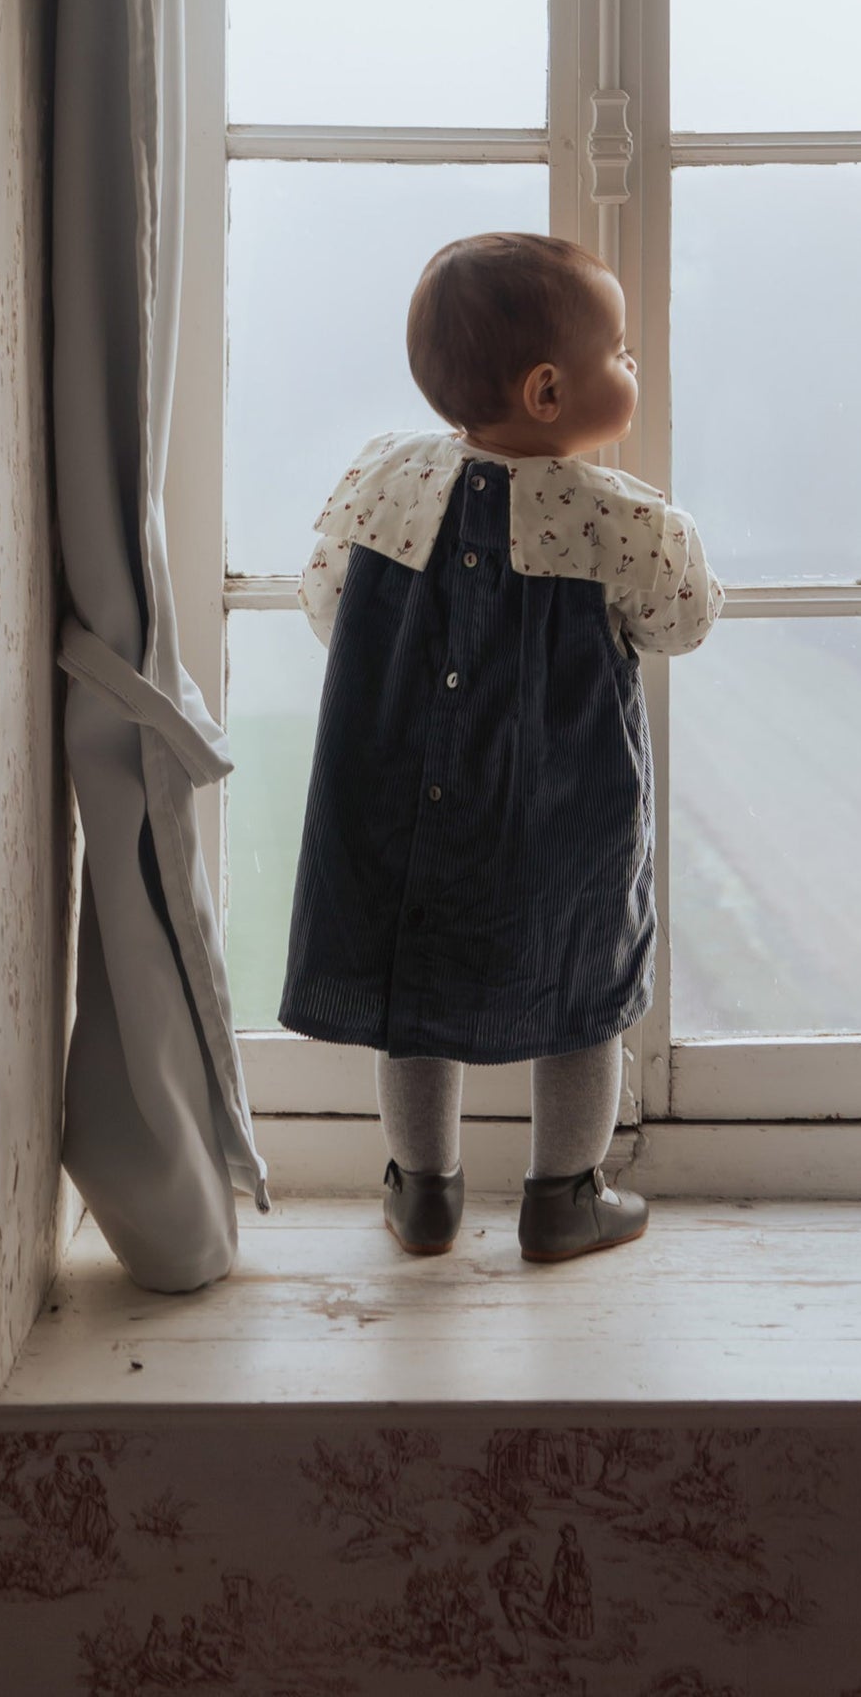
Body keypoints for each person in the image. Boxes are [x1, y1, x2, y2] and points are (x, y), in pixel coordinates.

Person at [281, 231, 720, 1263]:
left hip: (400, 792)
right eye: (619, 352)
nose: (633, 366)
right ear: (547, 391)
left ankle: (424, 1190)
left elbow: (326, 603)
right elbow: (683, 622)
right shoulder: (618, 521)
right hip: (561, 809)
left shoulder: (387, 480)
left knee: (412, 986)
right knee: (580, 989)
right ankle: (563, 1196)